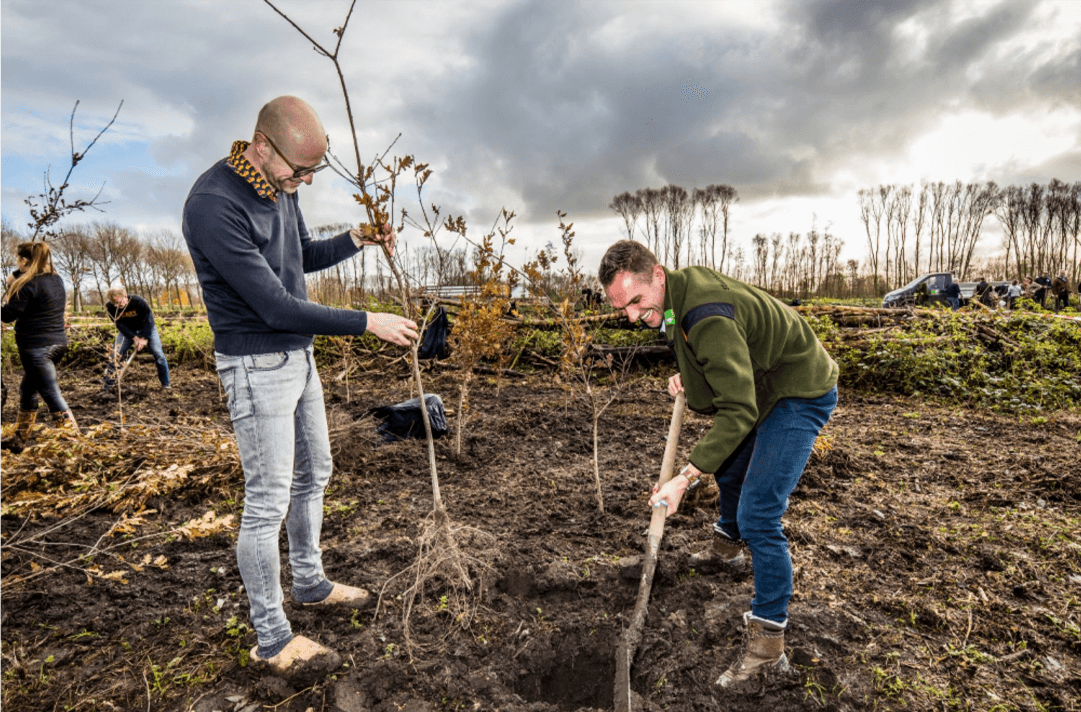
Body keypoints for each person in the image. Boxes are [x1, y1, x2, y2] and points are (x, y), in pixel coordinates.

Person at [182, 96, 418, 678]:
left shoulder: (278, 189)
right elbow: (273, 305)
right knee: (266, 502)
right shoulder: (214, 205)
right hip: (257, 367)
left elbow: (303, 257)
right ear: (262, 145)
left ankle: (310, 583)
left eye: (314, 172)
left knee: (316, 474)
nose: (305, 183)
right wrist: (367, 321)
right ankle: (272, 638)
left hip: (299, 358)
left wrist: (356, 240)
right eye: (300, 171)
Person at [599, 240, 838, 688]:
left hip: (797, 388)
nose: (632, 316)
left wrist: (684, 479)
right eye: (622, 308)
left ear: (659, 275)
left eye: (636, 302)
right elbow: (703, 358)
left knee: (759, 514)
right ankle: (727, 550)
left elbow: (737, 410)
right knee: (728, 467)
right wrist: (686, 374)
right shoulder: (672, 301)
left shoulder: (704, 312)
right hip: (762, 382)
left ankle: (768, 648)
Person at [1, 241, 79, 440]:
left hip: (36, 348)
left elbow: (9, 315)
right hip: (58, 343)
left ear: (24, 260)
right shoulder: (55, 279)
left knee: (51, 394)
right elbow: (30, 275)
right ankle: (19, 438)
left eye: (18, 259)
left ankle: (76, 443)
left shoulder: (27, 284)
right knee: (27, 389)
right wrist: (17, 274)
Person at [102, 286, 171, 392]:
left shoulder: (138, 302)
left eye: (119, 303)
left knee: (158, 354)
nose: (118, 306)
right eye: (115, 304)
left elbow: (149, 321)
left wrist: (144, 338)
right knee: (115, 355)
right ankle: (108, 387)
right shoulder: (110, 307)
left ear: (125, 296)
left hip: (147, 329)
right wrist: (134, 337)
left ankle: (166, 385)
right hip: (127, 332)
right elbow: (120, 326)